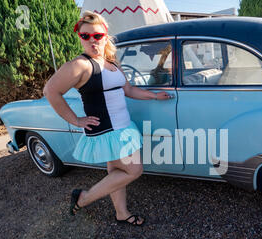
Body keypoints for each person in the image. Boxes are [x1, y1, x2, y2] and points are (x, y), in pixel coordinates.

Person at [43, 11, 170, 226]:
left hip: (123, 126)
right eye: (85, 36)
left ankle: (121, 213)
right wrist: (76, 120)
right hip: (106, 130)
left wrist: (154, 96)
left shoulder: (111, 61)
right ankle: (84, 198)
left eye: (97, 35)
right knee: (134, 170)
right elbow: (50, 91)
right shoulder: (80, 65)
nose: (92, 40)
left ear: (105, 35)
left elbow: (128, 89)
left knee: (116, 171)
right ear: (80, 37)